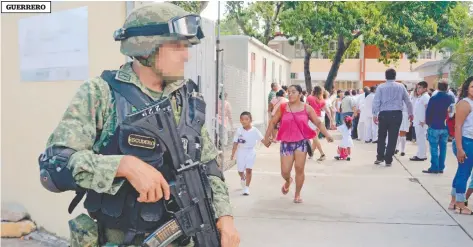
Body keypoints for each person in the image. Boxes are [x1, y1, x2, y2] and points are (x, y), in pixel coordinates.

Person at [37, 3, 239, 246]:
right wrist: (123, 166)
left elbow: (209, 166)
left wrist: (225, 216)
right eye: (177, 46)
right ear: (146, 46)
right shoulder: (101, 93)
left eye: (186, 47)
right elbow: (54, 166)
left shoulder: (186, 99)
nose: (186, 55)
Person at [262, 85, 333, 203]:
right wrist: (266, 138)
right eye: (288, 92)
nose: (290, 94)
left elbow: (318, 122)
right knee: (285, 171)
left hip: (301, 143)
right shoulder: (283, 107)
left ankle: (297, 194)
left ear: (300, 94)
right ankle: (288, 181)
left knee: (299, 168)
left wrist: (327, 135)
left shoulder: (307, 108)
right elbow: (273, 121)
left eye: (293, 92)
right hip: (286, 143)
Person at [373, 69, 413, 166]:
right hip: (396, 114)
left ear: (385, 76)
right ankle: (388, 159)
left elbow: (376, 101)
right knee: (393, 137)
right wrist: (411, 113)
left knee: (381, 136)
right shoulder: (401, 86)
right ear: (395, 76)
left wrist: (374, 114)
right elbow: (408, 101)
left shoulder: (381, 87)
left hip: (383, 113)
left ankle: (380, 157)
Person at [449, 76, 473, 214]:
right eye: (472, 87)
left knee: (461, 171)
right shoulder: (465, 103)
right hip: (465, 141)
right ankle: (460, 202)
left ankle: (454, 200)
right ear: (467, 89)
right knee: (465, 172)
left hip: (469, 141)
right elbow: (458, 127)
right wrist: (460, 148)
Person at [422, 80, 455, 174]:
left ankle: (434, 167)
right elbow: (452, 113)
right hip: (445, 126)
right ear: (447, 87)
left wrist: (428, 123)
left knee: (433, 147)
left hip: (434, 125)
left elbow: (428, 112)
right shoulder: (451, 98)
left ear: (438, 87)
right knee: (443, 147)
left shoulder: (434, 98)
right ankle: (441, 167)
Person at [231, 112, 264, 196]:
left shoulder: (255, 130)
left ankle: (246, 188)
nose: (244, 121)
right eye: (242, 119)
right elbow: (235, 143)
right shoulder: (239, 130)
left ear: (250, 120)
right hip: (241, 152)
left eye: (246, 119)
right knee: (240, 171)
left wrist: (270, 140)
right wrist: (233, 154)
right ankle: (242, 177)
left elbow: (263, 140)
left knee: (249, 170)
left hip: (250, 151)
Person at [306, 86, 335, 161]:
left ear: (314, 91)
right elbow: (327, 111)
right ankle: (311, 153)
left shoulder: (309, 98)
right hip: (320, 119)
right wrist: (331, 120)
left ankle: (322, 154)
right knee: (315, 137)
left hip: (312, 119)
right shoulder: (322, 100)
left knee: (314, 137)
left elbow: (305, 108)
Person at [410, 81, 430, 161]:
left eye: (420, 88)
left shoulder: (425, 97)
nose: (418, 89)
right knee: (419, 139)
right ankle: (420, 154)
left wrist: (425, 120)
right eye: (417, 88)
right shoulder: (420, 97)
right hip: (418, 121)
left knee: (421, 138)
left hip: (421, 122)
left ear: (425, 88)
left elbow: (427, 109)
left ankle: (421, 155)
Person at [395, 84, 410, 156]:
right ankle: (396, 148)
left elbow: (410, 106)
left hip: (404, 115)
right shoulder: (396, 96)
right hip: (397, 114)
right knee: (397, 133)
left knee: (402, 133)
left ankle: (403, 150)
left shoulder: (408, 97)